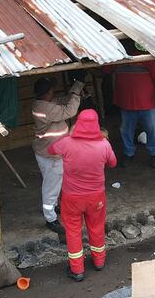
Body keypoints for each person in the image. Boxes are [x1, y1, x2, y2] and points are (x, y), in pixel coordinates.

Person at [48, 108, 117, 282]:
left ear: (78, 123)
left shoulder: (67, 143)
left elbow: (51, 149)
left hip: (72, 198)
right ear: (96, 126)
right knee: (96, 227)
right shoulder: (104, 144)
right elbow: (113, 163)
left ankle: (77, 269)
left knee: (73, 232)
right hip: (96, 197)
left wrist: (70, 134)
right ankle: (99, 261)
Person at [32, 76, 85, 240]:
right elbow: (70, 111)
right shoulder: (45, 109)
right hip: (51, 155)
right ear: (46, 93)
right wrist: (76, 93)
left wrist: (73, 92)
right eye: (51, 90)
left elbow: (60, 101)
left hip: (49, 152)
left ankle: (53, 207)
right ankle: (50, 218)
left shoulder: (41, 103)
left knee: (54, 183)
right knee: (51, 187)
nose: (53, 92)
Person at [104, 58, 155, 168]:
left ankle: (154, 154)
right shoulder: (116, 58)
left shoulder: (145, 58)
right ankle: (128, 153)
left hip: (146, 102)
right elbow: (104, 71)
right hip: (126, 103)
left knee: (152, 130)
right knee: (126, 131)